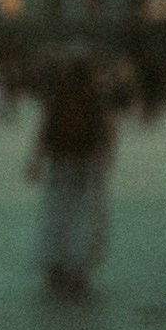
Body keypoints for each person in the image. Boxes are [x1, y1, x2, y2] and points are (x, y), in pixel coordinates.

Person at [29, 48, 115, 298]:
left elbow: (45, 128)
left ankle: (54, 264)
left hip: (60, 162)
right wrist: (107, 156)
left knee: (57, 212)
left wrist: (35, 161)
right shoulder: (96, 95)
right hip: (87, 163)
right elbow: (108, 129)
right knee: (85, 215)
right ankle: (78, 270)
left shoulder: (58, 95)